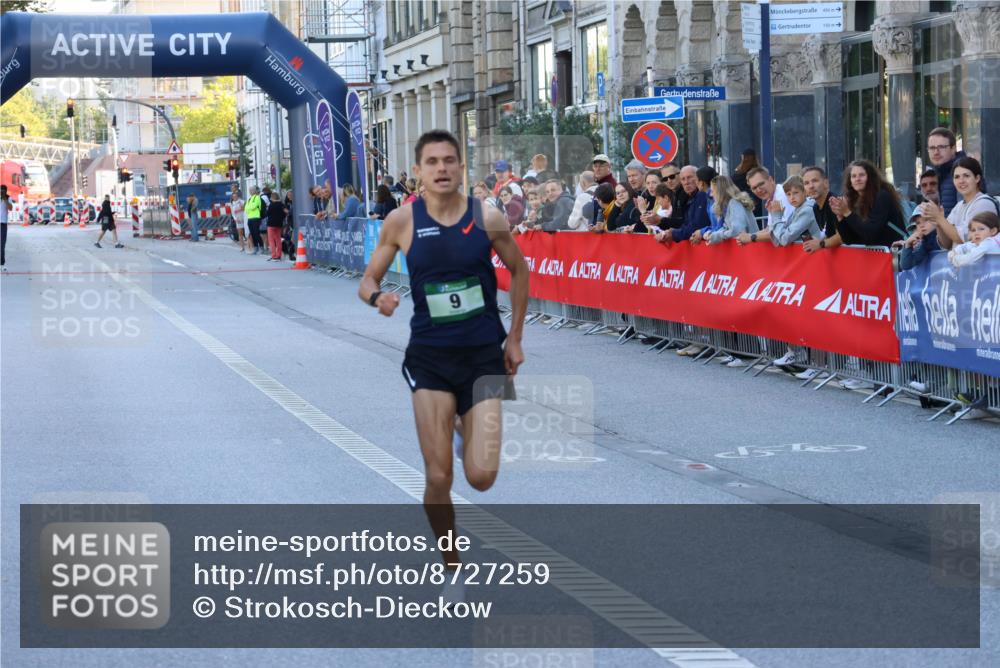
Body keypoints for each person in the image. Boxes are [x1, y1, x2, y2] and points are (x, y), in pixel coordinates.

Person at [358, 130, 528, 603]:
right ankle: (452, 562)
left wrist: (514, 337)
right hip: (429, 360)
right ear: (418, 171)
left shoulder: (487, 217)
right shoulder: (401, 220)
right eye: (431, 161)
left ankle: (461, 425)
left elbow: (519, 270)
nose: (441, 168)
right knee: (438, 477)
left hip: (484, 359)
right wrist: (380, 297)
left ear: (460, 167)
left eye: (450, 160)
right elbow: (367, 279)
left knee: (481, 477)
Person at [918, 156, 997, 250]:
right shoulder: (958, 207)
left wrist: (939, 218)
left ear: (977, 178)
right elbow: (947, 244)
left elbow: (966, 238)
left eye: (966, 176)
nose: (961, 181)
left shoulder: (983, 203)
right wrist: (938, 222)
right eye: (957, 177)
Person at [829, 160, 906, 248]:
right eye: (853, 176)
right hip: (873, 256)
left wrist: (847, 212)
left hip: (893, 255)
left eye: (862, 175)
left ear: (871, 177)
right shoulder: (853, 200)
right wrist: (840, 217)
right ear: (850, 181)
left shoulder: (882, 196)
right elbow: (849, 239)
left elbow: (870, 234)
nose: (857, 179)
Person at [739, 174, 821, 247]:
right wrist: (774, 215)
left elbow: (784, 239)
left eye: (795, 193)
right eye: (788, 194)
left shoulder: (807, 210)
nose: (792, 197)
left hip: (817, 257)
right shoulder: (797, 209)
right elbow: (778, 238)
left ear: (805, 192)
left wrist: (776, 216)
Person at [695, 175, 757, 245]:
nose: (711, 195)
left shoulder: (734, 203)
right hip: (748, 248)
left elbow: (737, 231)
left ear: (720, 191)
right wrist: (712, 235)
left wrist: (716, 236)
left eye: (712, 191)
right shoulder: (730, 204)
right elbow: (726, 228)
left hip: (750, 249)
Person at [655, 165, 708, 243]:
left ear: (698, 178)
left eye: (689, 177)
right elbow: (686, 224)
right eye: (683, 179)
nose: (686, 182)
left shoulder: (702, 195)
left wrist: (673, 233)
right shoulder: (687, 196)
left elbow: (697, 225)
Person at [801, 166, 843, 254]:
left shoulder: (834, 202)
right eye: (806, 183)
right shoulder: (815, 207)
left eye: (815, 181)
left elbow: (842, 236)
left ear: (826, 183)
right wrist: (814, 243)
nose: (811, 186)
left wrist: (820, 243)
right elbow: (829, 233)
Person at [926, 127, 965, 215]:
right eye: (932, 148)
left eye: (941, 147)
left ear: (953, 148)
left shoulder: (963, 171)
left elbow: (965, 220)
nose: (936, 152)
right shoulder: (941, 173)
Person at [265, 189, 288, 261]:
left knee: (271, 240)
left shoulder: (271, 205)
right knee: (278, 239)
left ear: (272, 198)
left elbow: (267, 214)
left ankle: (274, 255)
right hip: (279, 224)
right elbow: (285, 214)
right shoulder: (282, 205)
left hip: (271, 224)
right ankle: (279, 255)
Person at [245, 186, 265, 255]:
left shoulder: (257, 197)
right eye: (249, 190)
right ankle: (255, 247)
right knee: (252, 234)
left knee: (257, 233)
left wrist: (250, 208)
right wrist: (250, 208)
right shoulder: (249, 199)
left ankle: (261, 247)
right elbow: (246, 208)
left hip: (256, 217)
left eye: (251, 190)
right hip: (250, 218)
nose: (250, 191)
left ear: (255, 191)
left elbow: (254, 206)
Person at [0, 185, 9, 270]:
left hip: (3, 224)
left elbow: (10, 208)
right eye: (1, 191)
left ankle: (2, 264)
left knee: (2, 244)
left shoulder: (7, 198)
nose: (2, 192)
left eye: (3, 191)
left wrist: (5, 199)